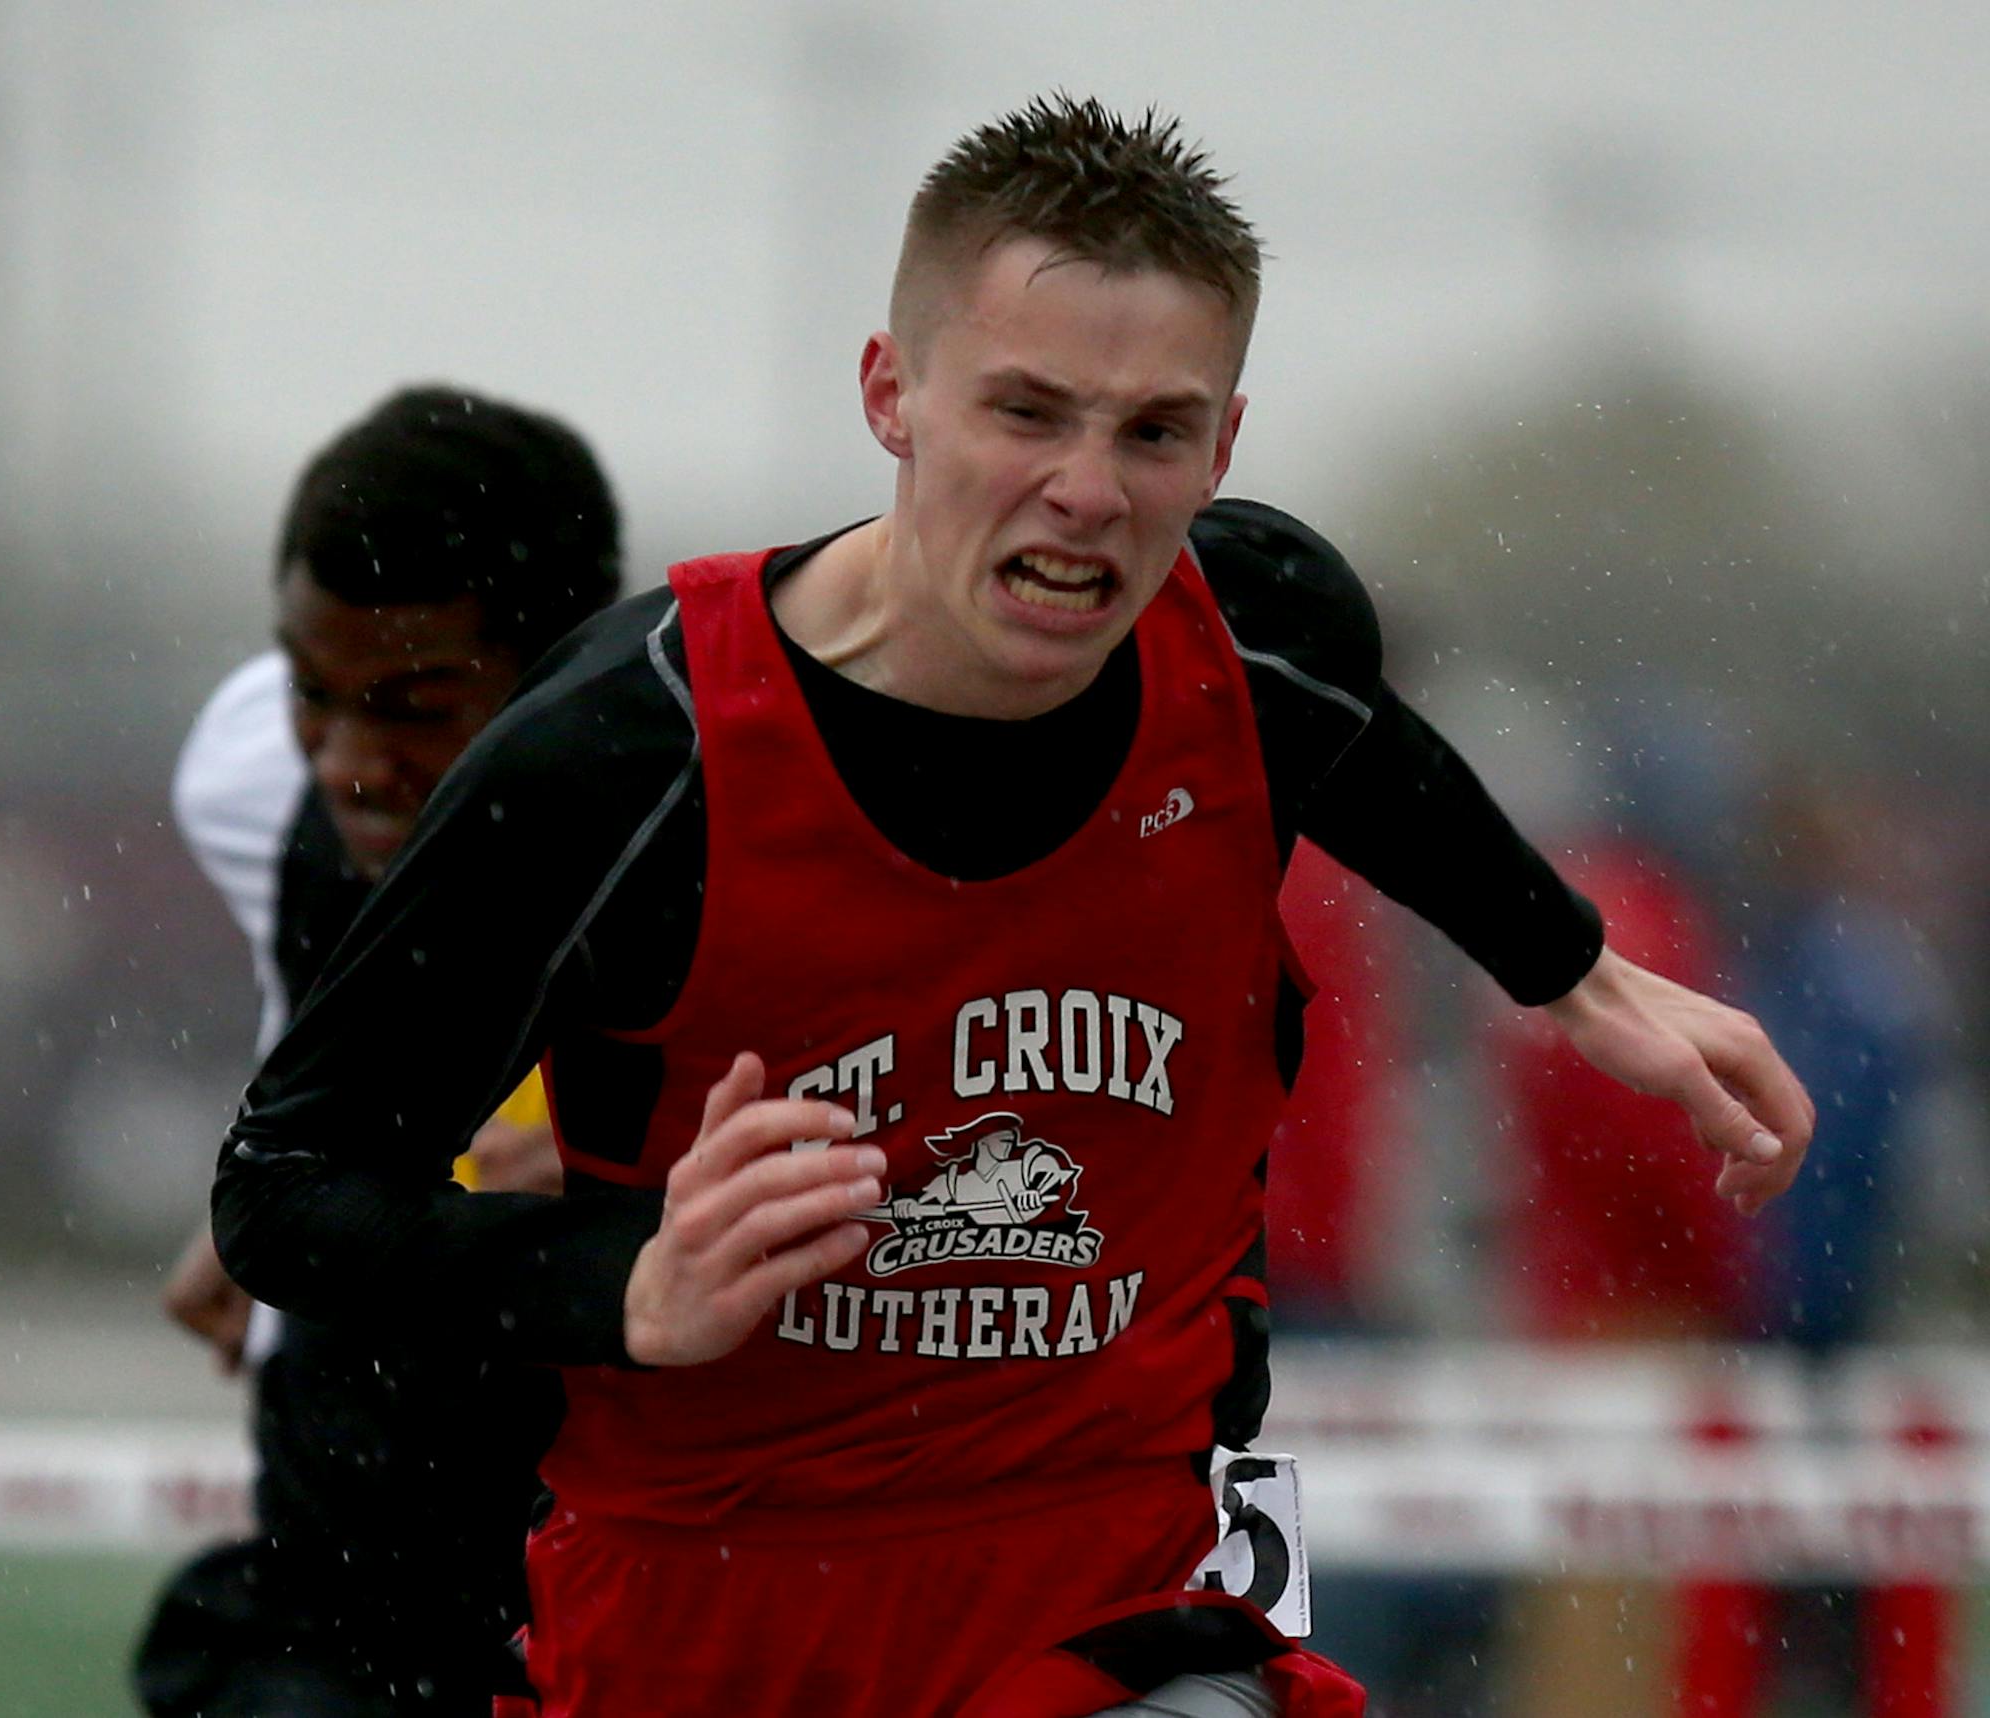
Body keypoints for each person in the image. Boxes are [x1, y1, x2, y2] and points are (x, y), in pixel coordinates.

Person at [212, 99, 1814, 1718]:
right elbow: (287, 1188)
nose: (1086, 492)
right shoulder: (631, 757)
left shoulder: (1254, 644)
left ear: (1227, 446)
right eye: (1027, 413)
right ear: (891, 395)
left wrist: (1580, 972)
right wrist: (621, 1280)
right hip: (715, 1610)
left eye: (1152, 432)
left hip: (1114, 1581)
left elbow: (1361, 748)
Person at [134, 385, 622, 1717]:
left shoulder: (716, 846)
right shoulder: (244, 782)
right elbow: (310, 1007)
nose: (349, 760)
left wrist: (641, 1191)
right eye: (316, 694)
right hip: (345, 1591)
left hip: (625, 1583)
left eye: (413, 706)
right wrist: (279, 1170)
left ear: (572, 678)